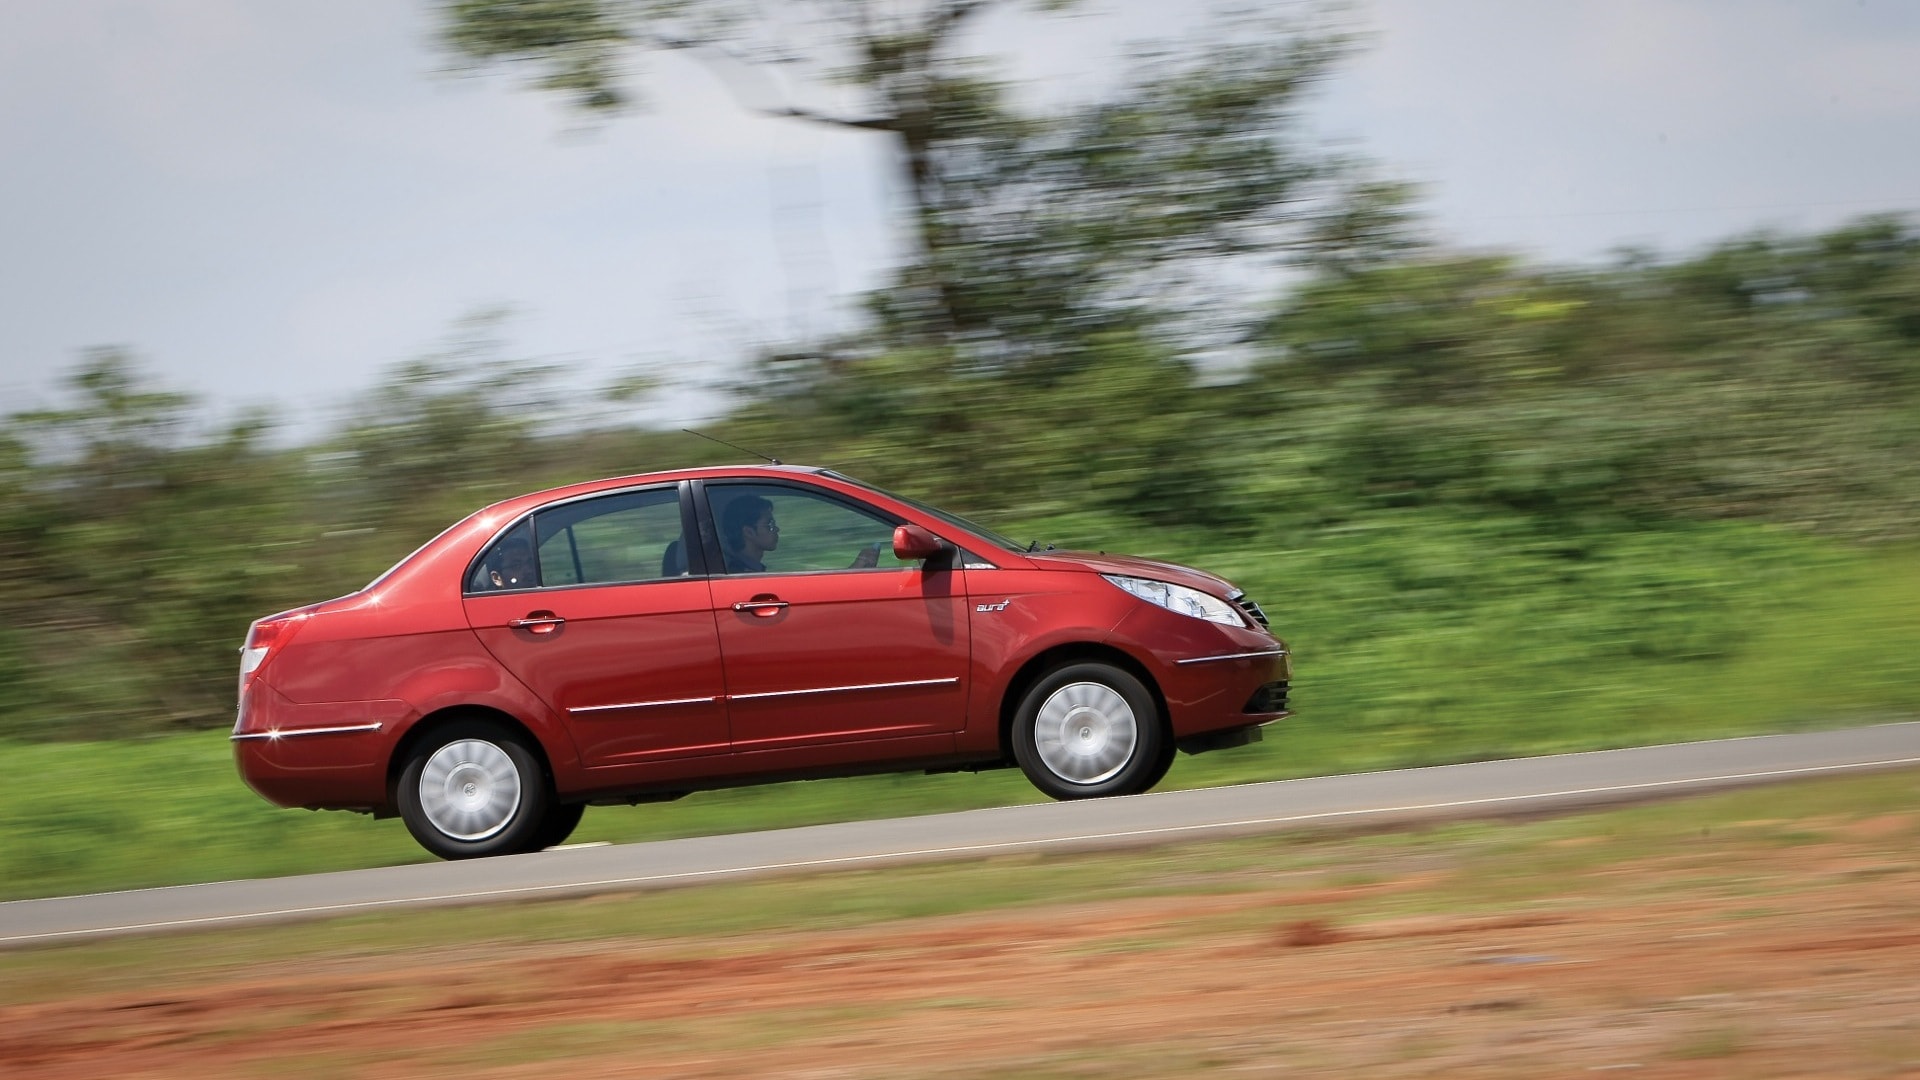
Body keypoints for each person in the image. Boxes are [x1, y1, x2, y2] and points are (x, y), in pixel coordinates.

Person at [720, 493, 882, 573]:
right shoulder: (741, 574)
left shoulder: (750, 568)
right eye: (769, 524)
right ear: (748, 531)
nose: (776, 529)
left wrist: (854, 570)